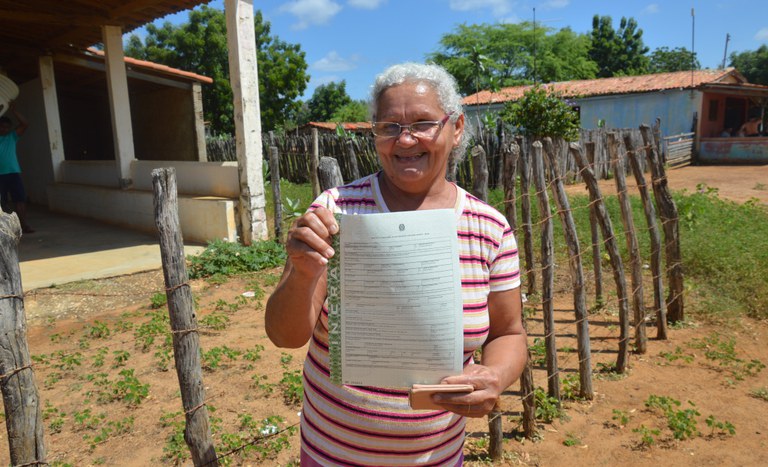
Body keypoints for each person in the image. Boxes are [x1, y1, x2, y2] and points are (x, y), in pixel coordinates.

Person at [265, 63, 527, 466]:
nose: (406, 140)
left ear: (456, 129)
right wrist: (303, 273)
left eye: (423, 124)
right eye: (389, 127)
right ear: (376, 135)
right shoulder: (336, 214)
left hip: (437, 458)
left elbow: (509, 333)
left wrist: (496, 375)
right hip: (332, 455)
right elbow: (284, 335)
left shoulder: (490, 229)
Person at [0, 101, 33, 233]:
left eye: (7, 127)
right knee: (2, 203)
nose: (4, 129)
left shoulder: (12, 137)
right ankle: (4, 230)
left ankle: (24, 226)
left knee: (20, 200)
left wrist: (14, 110)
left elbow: (25, 124)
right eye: (1, 127)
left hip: (13, 173)